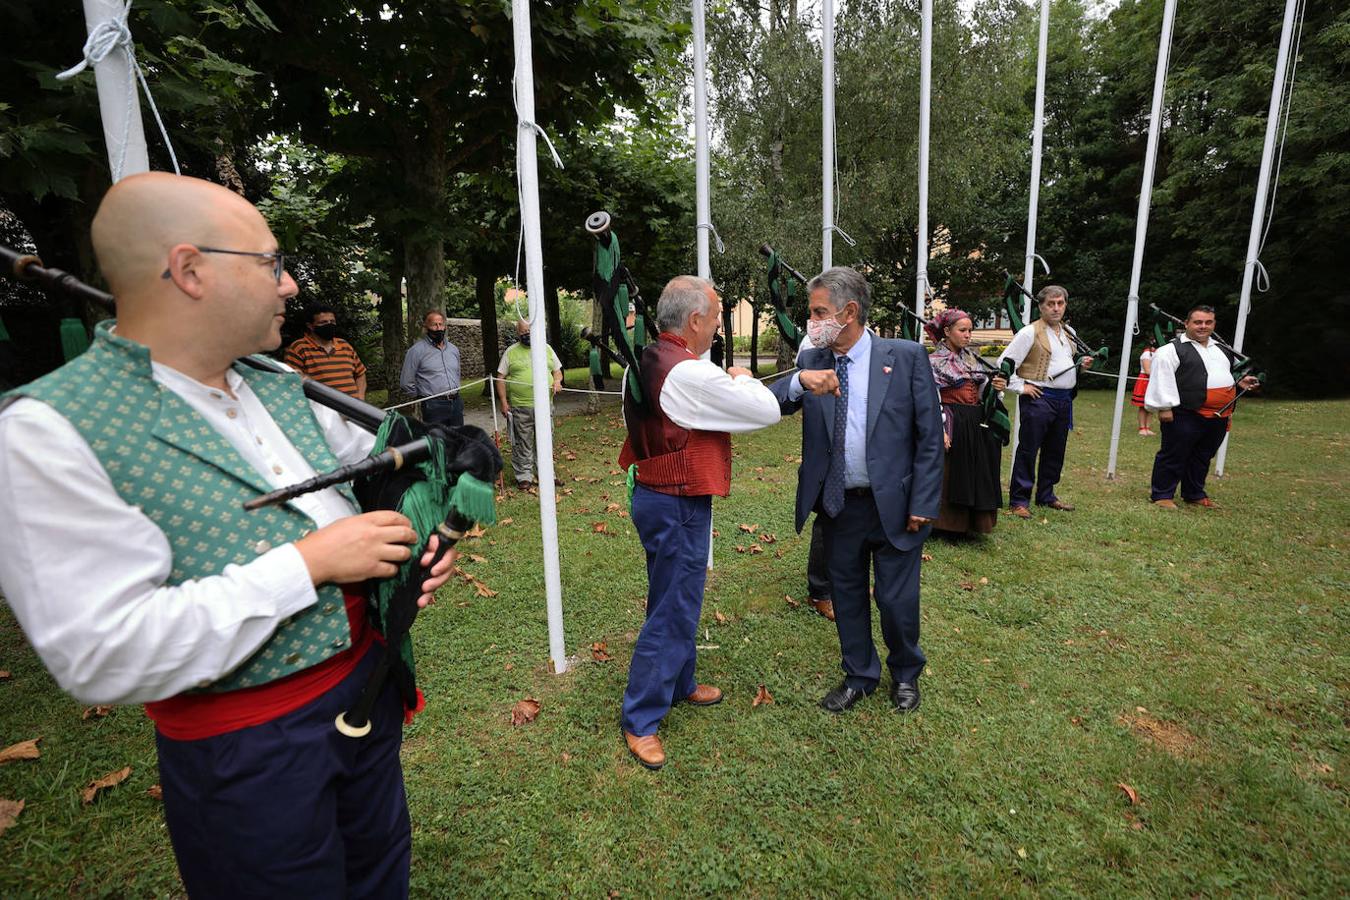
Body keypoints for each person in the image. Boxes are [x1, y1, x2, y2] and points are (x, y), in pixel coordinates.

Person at [0, 174, 458, 897]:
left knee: (380, 877)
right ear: (189, 270)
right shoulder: (48, 432)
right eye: (271, 262)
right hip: (246, 752)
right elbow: (100, 651)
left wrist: (408, 555)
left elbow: (370, 486)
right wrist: (306, 565)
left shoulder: (277, 384)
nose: (290, 285)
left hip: (366, 693)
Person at [618, 276, 780, 769]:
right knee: (673, 606)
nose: (715, 327)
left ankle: (680, 681)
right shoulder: (690, 373)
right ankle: (641, 717)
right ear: (694, 321)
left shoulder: (646, 360)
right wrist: (744, 378)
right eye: (712, 319)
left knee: (675, 595)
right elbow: (766, 410)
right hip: (677, 501)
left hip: (658, 494)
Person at [770, 267, 943, 714]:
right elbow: (774, 401)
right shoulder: (812, 361)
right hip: (838, 504)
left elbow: (929, 438)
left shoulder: (905, 357)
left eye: (819, 312)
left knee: (896, 600)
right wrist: (794, 382)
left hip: (896, 504)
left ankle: (905, 673)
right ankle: (860, 674)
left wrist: (924, 501)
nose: (812, 322)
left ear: (849, 312)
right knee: (846, 594)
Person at [1144, 304, 1260, 509]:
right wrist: (1164, 407)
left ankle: (1194, 493)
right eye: (1198, 322)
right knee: (1174, 453)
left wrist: (1241, 381)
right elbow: (1162, 378)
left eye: (1208, 322)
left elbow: (1227, 373)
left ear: (1214, 324)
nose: (1203, 326)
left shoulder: (1222, 349)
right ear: (1187, 323)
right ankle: (1162, 494)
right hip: (1185, 411)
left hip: (1218, 415)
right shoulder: (1170, 350)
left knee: (1203, 455)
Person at [997, 285, 1093, 518]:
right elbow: (1003, 363)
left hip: (1064, 400)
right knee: (1029, 449)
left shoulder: (1068, 331)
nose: (1056, 308)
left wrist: (1082, 364)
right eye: (1051, 304)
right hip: (1039, 398)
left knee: (1055, 450)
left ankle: (1047, 495)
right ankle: (1019, 500)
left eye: (1060, 303)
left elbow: (1064, 361)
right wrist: (1021, 386)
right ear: (1040, 307)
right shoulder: (1029, 332)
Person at [925, 309, 1008, 536]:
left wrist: (995, 388)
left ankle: (972, 524)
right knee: (951, 473)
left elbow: (980, 391)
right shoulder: (934, 361)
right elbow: (931, 397)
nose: (968, 335)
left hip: (974, 422)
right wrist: (939, 428)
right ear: (947, 331)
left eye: (970, 330)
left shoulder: (972, 358)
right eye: (963, 330)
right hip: (951, 420)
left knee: (975, 471)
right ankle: (946, 524)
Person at [495, 318, 562, 490]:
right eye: (523, 332)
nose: (527, 335)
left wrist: (557, 382)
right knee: (522, 442)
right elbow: (500, 378)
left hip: (545, 406)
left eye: (529, 331)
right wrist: (503, 402)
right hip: (520, 407)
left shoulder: (546, 349)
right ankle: (524, 476)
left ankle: (547, 474)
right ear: (518, 333)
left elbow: (557, 371)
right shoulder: (510, 352)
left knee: (545, 441)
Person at [284, 303, 368, 398]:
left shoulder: (344, 345)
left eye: (332, 321)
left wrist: (360, 398)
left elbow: (360, 374)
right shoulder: (299, 348)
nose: (329, 325)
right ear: (310, 326)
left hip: (352, 409)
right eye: (323, 322)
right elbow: (292, 382)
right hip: (322, 411)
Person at [400, 310, 462, 426]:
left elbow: (457, 373)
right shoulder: (416, 351)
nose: (439, 328)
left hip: (456, 403)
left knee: (458, 440)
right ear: (425, 327)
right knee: (436, 441)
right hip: (433, 406)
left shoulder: (453, 350)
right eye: (434, 324)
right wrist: (424, 398)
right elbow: (406, 382)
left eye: (441, 324)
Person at [1131, 334, 1157, 435]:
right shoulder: (1146, 354)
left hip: (1153, 380)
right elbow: (1147, 370)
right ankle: (1142, 427)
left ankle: (1148, 427)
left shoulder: (1156, 353)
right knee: (1143, 406)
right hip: (1145, 380)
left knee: (1151, 406)